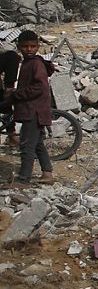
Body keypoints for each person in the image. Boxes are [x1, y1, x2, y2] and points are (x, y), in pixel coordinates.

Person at [6, 31, 55, 185]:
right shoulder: (28, 62)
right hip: (32, 110)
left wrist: (17, 94)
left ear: (38, 46)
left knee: (26, 146)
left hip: (34, 111)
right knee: (38, 144)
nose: (28, 49)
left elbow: (39, 87)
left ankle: (23, 179)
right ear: (19, 47)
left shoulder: (36, 64)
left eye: (32, 46)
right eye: (25, 46)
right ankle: (47, 173)